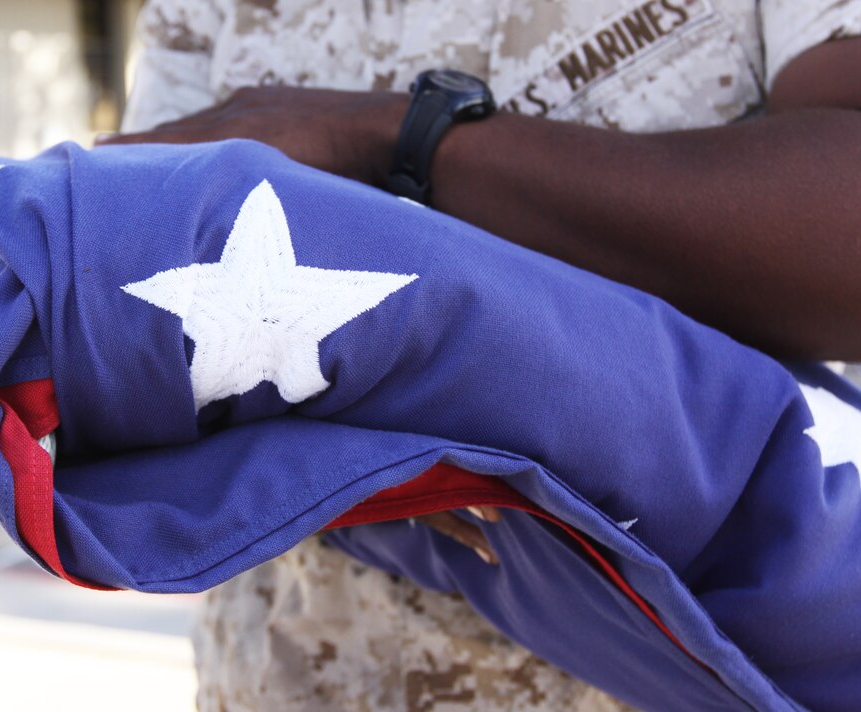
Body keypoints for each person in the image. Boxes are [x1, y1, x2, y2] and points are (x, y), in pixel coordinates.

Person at [102, 1, 861, 708]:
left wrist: (394, 138)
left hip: (663, 669)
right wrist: (349, 462)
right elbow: (129, 290)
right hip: (286, 671)